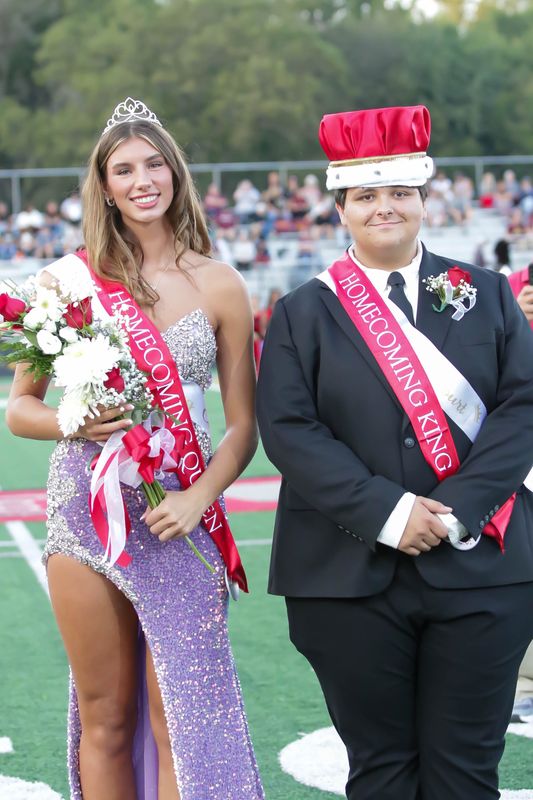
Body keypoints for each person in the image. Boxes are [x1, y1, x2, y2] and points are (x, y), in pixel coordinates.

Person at [256, 104, 533, 800]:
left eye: (399, 192)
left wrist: (458, 510)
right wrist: (388, 512)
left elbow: (522, 406)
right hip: (347, 576)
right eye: (366, 195)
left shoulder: (487, 294)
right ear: (341, 208)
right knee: (380, 774)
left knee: (465, 775)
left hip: (482, 574)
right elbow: (288, 429)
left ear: (422, 199)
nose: (385, 207)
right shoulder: (300, 312)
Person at [6, 98, 264, 800]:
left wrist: (196, 498)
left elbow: (244, 425)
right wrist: (70, 421)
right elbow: (20, 408)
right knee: (105, 717)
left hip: (177, 517)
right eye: (124, 168)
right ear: (104, 183)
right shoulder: (65, 282)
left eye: (154, 163)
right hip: (84, 514)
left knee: (183, 719)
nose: (142, 178)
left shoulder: (219, 283)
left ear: (175, 174)